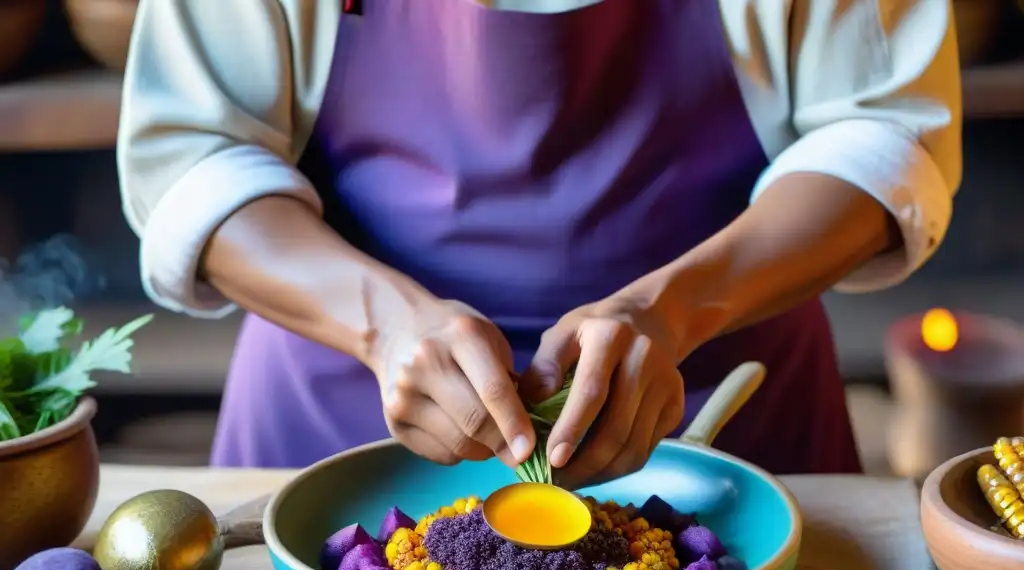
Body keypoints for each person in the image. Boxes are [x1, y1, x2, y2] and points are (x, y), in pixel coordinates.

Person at [118, 0, 961, 487]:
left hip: (719, 414)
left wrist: (666, 312)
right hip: (341, 418)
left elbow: (881, 134)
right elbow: (194, 156)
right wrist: (381, 324)